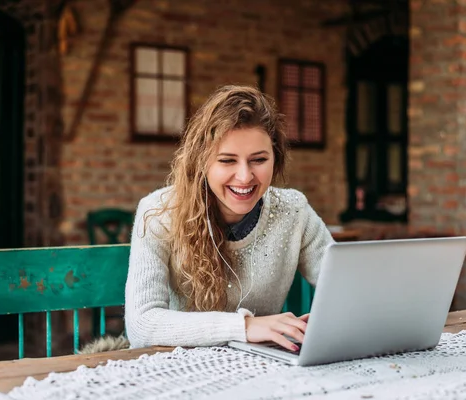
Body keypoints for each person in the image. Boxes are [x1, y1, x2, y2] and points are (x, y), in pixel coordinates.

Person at [124, 85, 334, 352]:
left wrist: (334, 320)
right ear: (202, 162)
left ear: (276, 159)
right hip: (180, 367)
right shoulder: (159, 212)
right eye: (227, 161)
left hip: (265, 369)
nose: (245, 177)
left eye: (258, 159)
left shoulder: (294, 210)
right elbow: (142, 325)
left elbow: (348, 290)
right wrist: (244, 327)